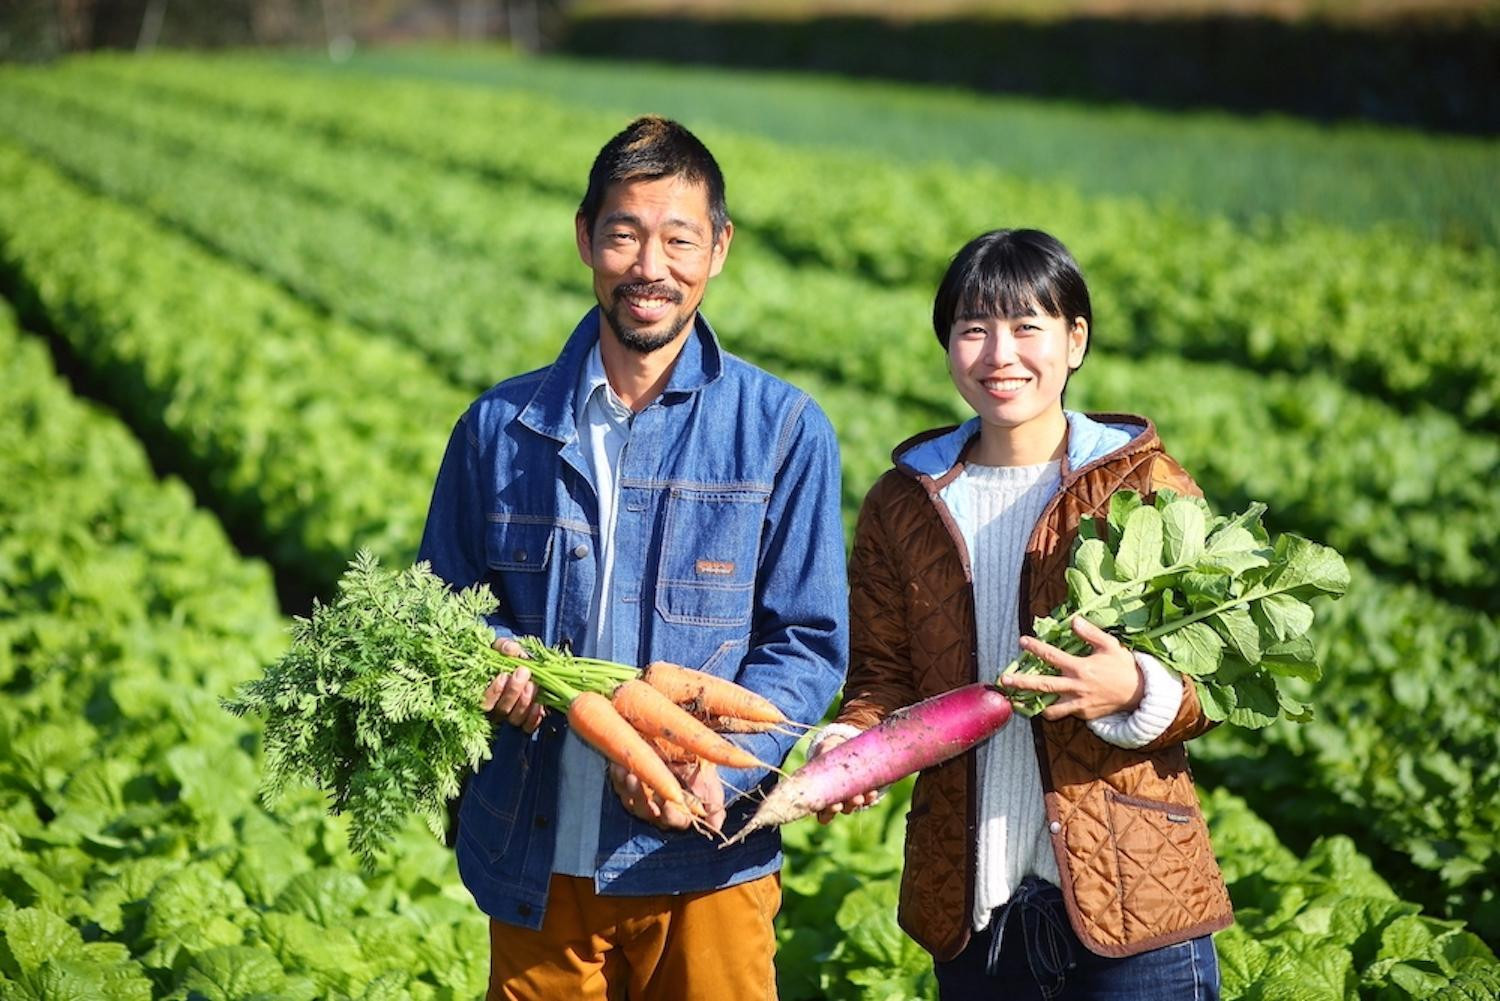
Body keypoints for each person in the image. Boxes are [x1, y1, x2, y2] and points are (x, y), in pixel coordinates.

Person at [416, 116, 848, 1001]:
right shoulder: (498, 430)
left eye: (679, 237)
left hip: (705, 859)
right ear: (585, 238)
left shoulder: (783, 431)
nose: (651, 265)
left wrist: (718, 755)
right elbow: (444, 608)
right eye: (624, 233)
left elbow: (806, 641)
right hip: (537, 860)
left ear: (717, 248)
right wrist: (483, 656)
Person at [813, 228, 1231, 999]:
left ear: (1075, 340)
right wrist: (854, 737)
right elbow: (882, 672)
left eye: (1027, 326)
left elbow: (1218, 677)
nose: (1000, 353)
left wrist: (1138, 689)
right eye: (974, 328)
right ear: (947, 347)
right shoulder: (900, 503)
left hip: (1133, 907)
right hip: (975, 916)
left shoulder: (1143, 484)